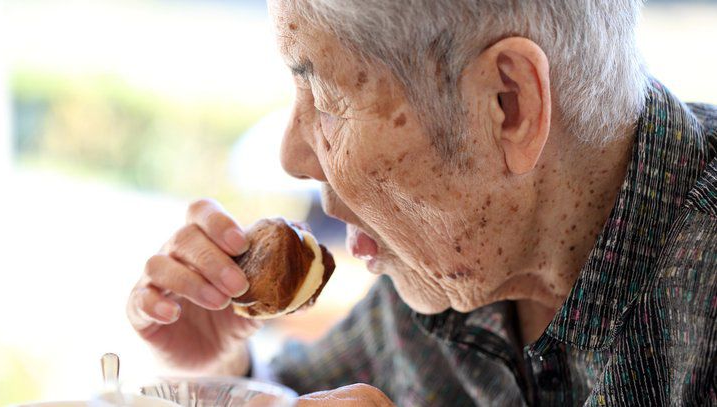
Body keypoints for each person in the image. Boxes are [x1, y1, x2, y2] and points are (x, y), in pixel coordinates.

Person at [126, 1, 717, 405]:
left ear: (507, 104)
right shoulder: (454, 269)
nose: (291, 154)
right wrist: (223, 371)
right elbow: (299, 390)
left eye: (328, 99)